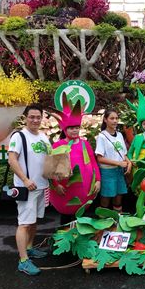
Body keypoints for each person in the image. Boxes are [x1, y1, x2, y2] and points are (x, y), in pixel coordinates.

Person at [8, 104, 52, 276]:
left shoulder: (43, 136)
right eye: (31, 117)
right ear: (25, 117)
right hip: (26, 187)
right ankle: (23, 261)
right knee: (24, 223)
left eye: (38, 117)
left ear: (42, 117)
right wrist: (25, 180)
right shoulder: (19, 136)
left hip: (42, 185)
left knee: (34, 221)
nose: (35, 120)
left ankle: (30, 248)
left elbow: (49, 159)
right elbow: (12, 159)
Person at [49, 97, 101, 226]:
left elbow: (93, 163)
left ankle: (79, 240)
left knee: (80, 216)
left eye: (76, 127)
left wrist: (98, 180)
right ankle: (64, 239)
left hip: (83, 188)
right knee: (66, 216)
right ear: (65, 130)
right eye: (71, 128)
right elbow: (51, 168)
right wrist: (56, 185)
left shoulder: (85, 144)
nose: (74, 130)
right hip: (65, 188)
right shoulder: (58, 145)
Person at [95, 109, 132, 212]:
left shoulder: (119, 135)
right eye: (112, 118)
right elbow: (100, 158)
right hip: (107, 172)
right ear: (105, 120)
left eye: (116, 118)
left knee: (118, 200)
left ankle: (117, 224)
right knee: (105, 201)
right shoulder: (102, 137)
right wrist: (118, 163)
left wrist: (128, 163)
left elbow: (123, 153)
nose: (115, 121)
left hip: (119, 172)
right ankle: (104, 225)